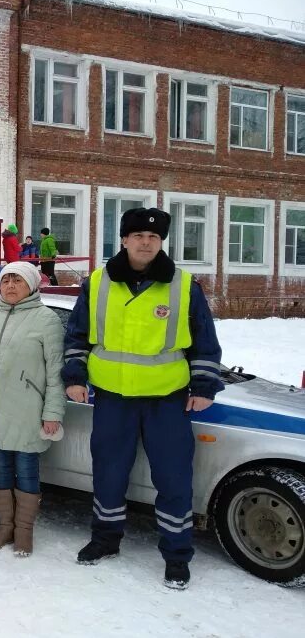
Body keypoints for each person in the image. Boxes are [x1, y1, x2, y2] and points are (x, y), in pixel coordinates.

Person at [62, 208, 223, 590]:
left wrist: (202, 388)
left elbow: (204, 342)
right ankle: (105, 540)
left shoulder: (184, 286)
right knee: (108, 473)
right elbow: (77, 336)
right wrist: (74, 377)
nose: (145, 242)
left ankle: (177, 556)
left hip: (166, 399)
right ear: (123, 240)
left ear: (161, 241)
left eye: (153, 237)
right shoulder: (98, 282)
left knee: (173, 478)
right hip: (113, 396)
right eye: (137, 236)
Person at [0, 261, 65, 556]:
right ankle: (5, 526)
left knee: (26, 471)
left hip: (27, 410)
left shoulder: (46, 320)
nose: (10, 285)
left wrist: (53, 413)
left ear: (32, 285)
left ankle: (24, 531)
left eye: (17, 280)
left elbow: (56, 372)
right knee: (1, 471)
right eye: (6, 280)